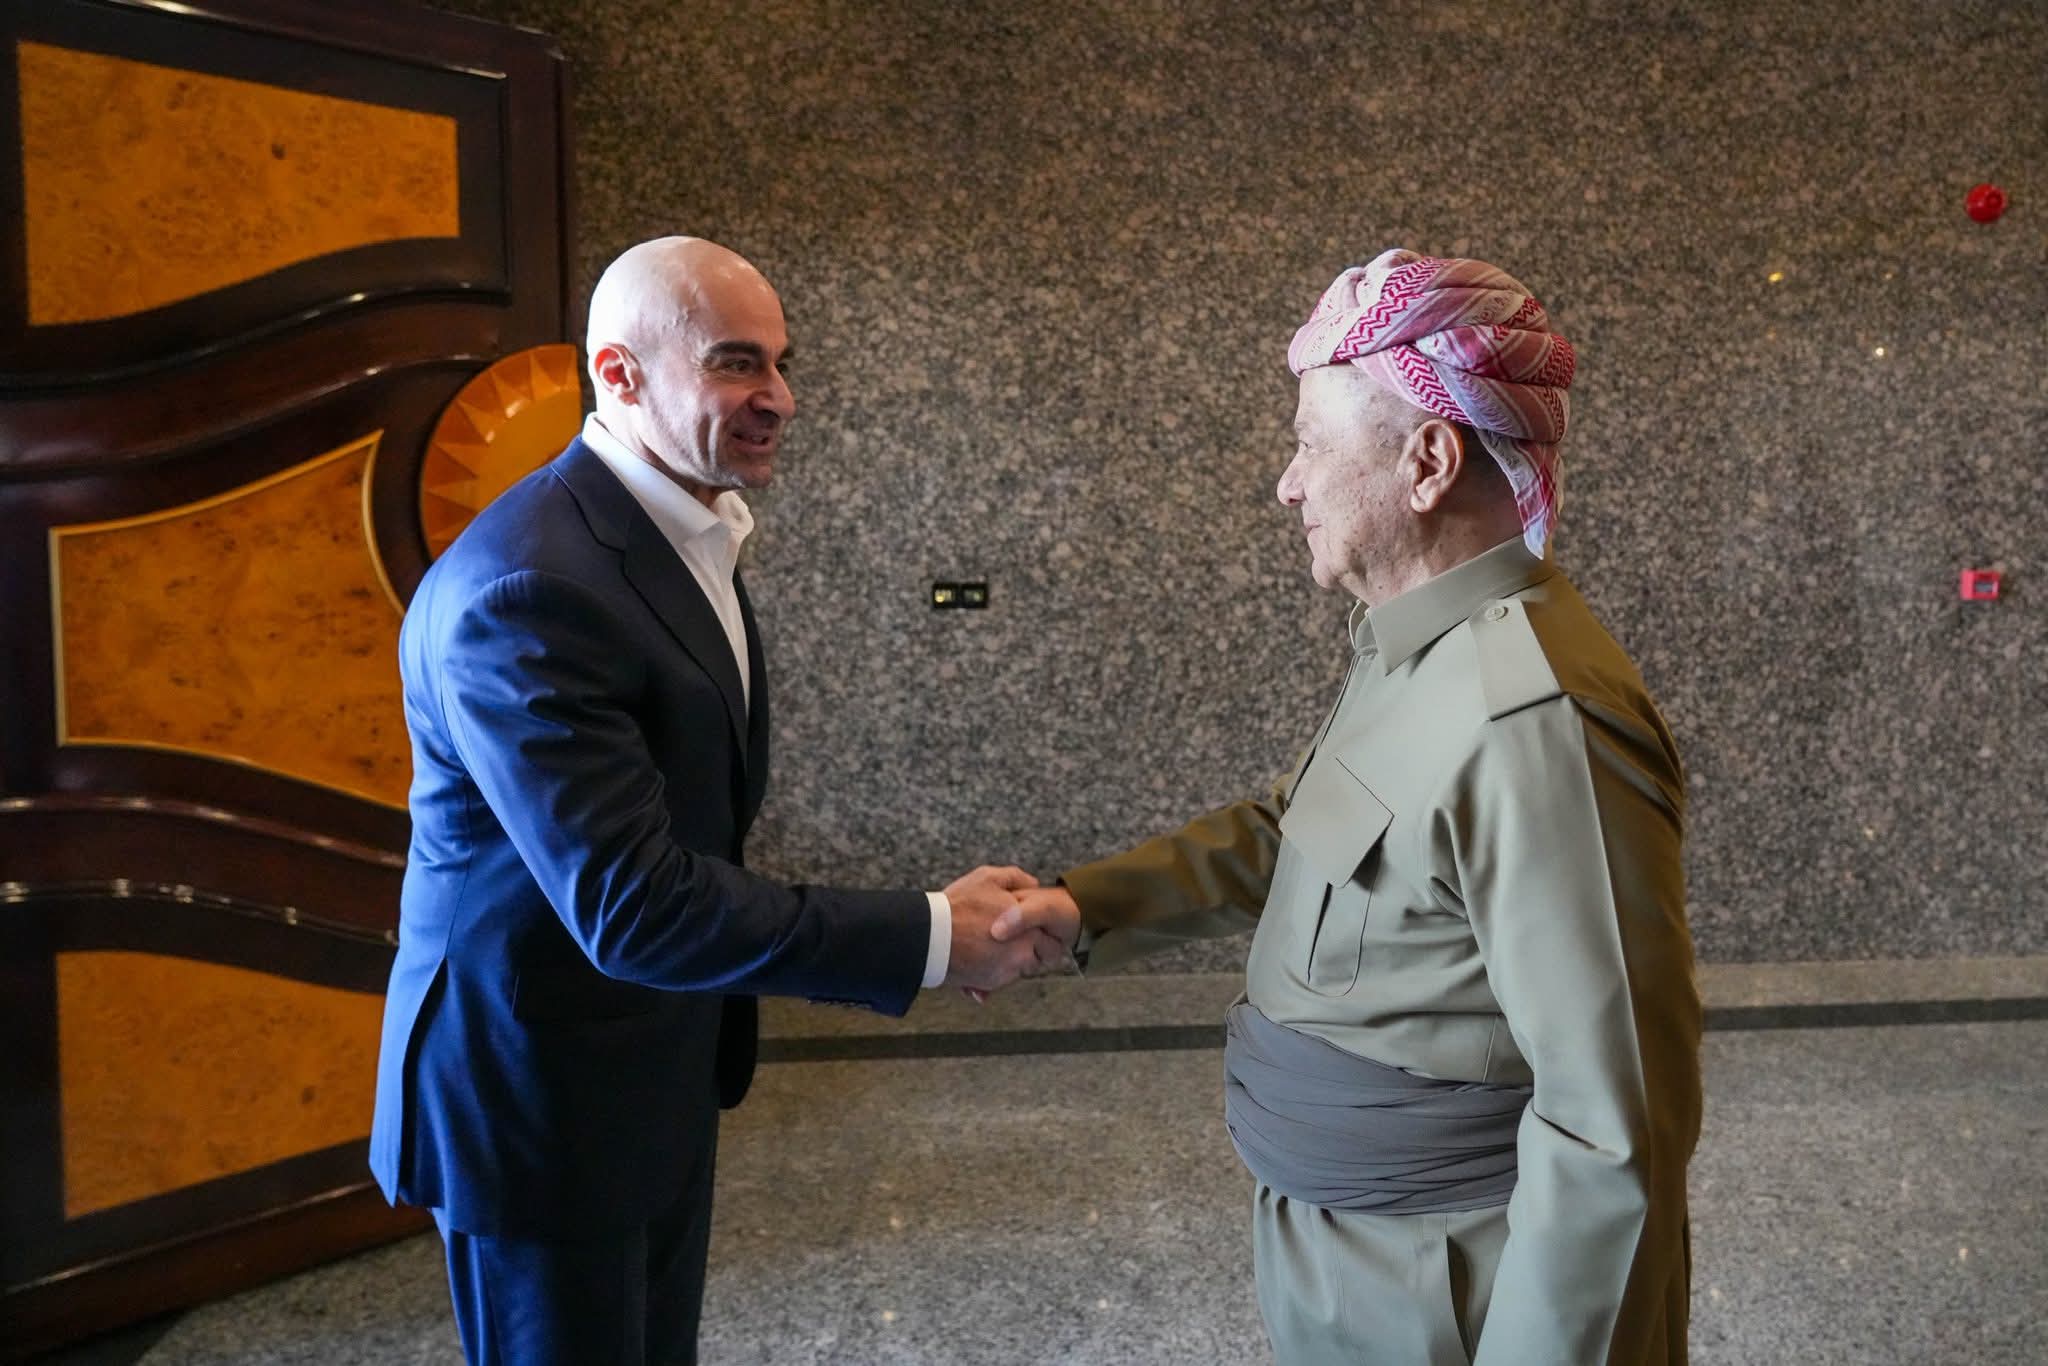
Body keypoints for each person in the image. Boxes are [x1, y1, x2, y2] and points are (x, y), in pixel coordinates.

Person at [999, 250, 1702, 1364]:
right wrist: (1085, 907)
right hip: (1350, 1256)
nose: (1288, 484)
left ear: (1428, 462)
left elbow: (1613, 1125)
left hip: (1448, 1284)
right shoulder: (1412, 650)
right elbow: (1298, 833)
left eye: (1310, 444)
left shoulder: (1535, 719)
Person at [370, 236, 1057, 1366]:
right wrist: (933, 934)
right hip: (537, 1105)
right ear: (619, 373)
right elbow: (635, 906)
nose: (779, 398)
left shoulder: (683, 529)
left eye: (783, 364)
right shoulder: (529, 586)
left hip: (650, 1064)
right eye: (738, 363)